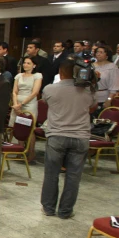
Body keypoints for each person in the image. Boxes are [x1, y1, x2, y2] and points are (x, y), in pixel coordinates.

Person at [40, 57, 97, 218]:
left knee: (52, 174)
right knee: (73, 176)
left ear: (60, 72)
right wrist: (93, 83)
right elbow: (93, 107)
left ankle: (49, 208)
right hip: (80, 137)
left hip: (57, 136)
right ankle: (65, 211)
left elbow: (45, 102)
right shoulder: (88, 90)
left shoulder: (50, 89)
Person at [11, 56, 43, 163]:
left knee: (29, 128)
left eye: (28, 63)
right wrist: (16, 104)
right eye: (24, 63)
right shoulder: (19, 75)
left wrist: (22, 104)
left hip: (29, 103)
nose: (25, 65)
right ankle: (19, 151)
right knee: (19, 127)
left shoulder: (37, 76)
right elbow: (14, 91)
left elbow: (35, 92)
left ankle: (31, 152)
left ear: (34, 65)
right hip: (17, 103)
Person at [94, 45, 119, 111]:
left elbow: (114, 86)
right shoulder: (91, 65)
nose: (98, 54)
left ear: (107, 55)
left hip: (104, 98)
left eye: (101, 52)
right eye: (97, 52)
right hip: (91, 98)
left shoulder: (112, 67)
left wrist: (109, 100)